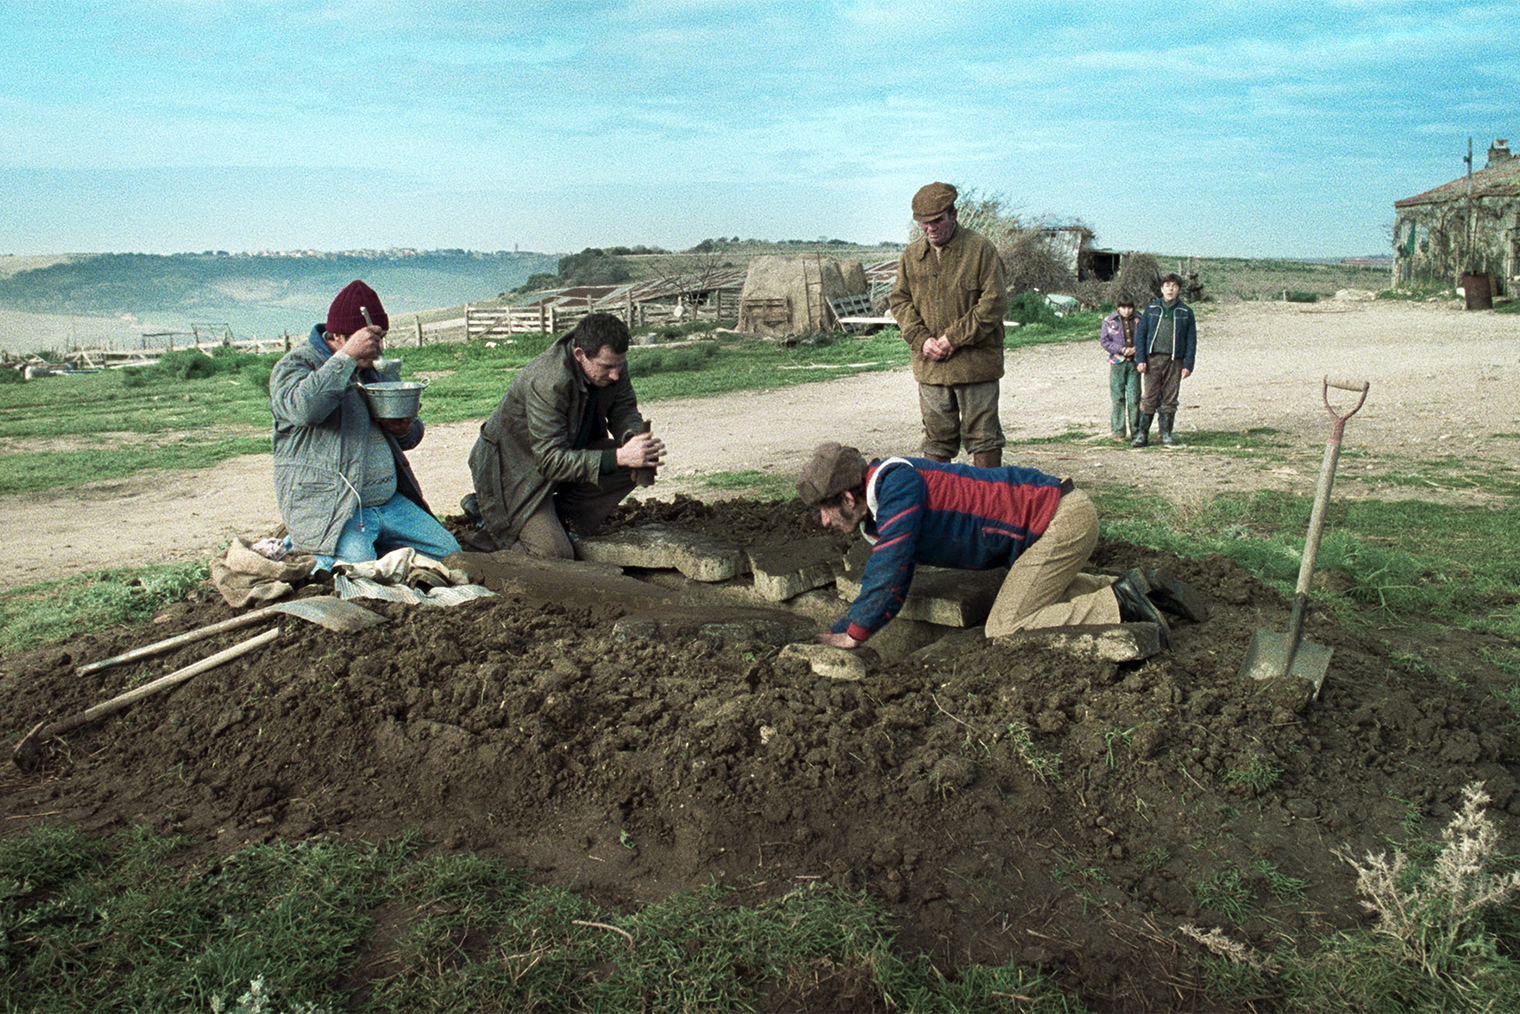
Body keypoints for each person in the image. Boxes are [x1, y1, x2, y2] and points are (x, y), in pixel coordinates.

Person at [795, 441, 1205, 646]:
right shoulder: (882, 506)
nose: (824, 521)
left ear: (848, 498)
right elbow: (895, 578)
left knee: (1005, 627)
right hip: (1053, 521)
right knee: (1034, 592)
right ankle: (1142, 585)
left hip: (1060, 521)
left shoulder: (896, 485)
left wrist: (854, 634)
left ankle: (1122, 604)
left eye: (826, 509)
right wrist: (840, 630)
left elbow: (886, 571)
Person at [270, 279, 461, 571]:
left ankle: (373, 544)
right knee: (357, 570)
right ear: (338, 335)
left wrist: (404, 429)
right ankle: (303, 542)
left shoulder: (374, 366)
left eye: (381, 338)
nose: (379, 347)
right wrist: (345, 358)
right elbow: (304, 409)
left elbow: (412, 432)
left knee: (450, 555)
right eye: (372, 340)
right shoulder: (296, 365)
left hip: (388, 503)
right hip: (337, 508)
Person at [465, 312, 665, 558]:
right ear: (580, 354)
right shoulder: (549, 380)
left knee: (636, 463)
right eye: (607, 367)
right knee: (555, 555)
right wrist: (620, 456)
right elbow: (549, 461)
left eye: (620, 365)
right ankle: (493, 520)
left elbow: (623, 408)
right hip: (515, 470)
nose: (615, 374)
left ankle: (559, 519)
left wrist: (633, 439)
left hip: (564, 453)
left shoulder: (609, 362)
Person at [888, 182, 1009, 468]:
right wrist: (921, 339)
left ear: (953, 214)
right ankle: (942, 506)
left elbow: (994, 302)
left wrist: (953, 338)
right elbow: (900, 301)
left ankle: (988, 504)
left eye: (937, 221)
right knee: (937, 440)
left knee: (984, 438)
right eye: (923, 224)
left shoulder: (980, 250)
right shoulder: (911, 256)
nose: (930, 229)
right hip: (931, 368)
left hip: (975, 365)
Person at [1132, 273, 1197, 448]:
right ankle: (1142, 435)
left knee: (1170, 397)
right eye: (1167, 285)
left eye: (1174, 286)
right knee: (1150, 397)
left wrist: (1188, 364)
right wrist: (1140, 359)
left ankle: (1166, 434)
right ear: (1161, 288)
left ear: (1179, 290)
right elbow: (1141, 336)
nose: (1170, 289)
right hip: (1153, 359)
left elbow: (1191, 340)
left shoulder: (1185, 312)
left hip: (1175, 360)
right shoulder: (1152, 308)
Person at [1099, 296, 1141, 442]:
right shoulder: (1109, 321)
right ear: (1118, 307)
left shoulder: (1139, 319)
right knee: (1118, 397)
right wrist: (1121, 349)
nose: (1126, 311)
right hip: (1117, 363)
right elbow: (1104, 341)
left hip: (1135, 363)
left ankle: (1136, 431)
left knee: (1135, 398)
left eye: (1129, 307)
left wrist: (1136, 349)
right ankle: (1118, 432)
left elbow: (1145, 337)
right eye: (1123, 307)